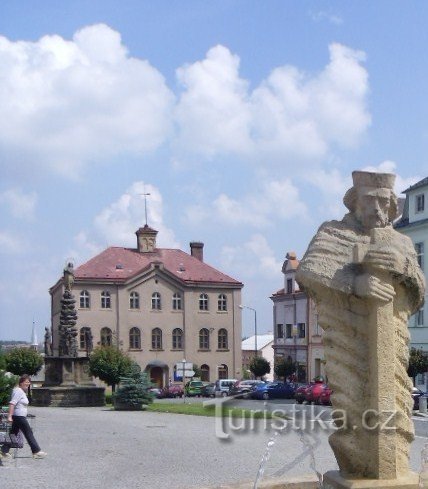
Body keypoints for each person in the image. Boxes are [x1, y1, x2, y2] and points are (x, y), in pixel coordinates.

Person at [296, 171, 425, 478]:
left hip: (391, 340)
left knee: (397, 402)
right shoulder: (332, 233)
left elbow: (420, 289)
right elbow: (310, 271)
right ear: (355, 201)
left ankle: (392, 465)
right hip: (348, 338)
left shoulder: (402, 243)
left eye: (384, 201)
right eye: (369, 200)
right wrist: (354, 283)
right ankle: (357, 463)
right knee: (352, 404)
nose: (377, 208)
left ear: (393, 206)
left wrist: (403, 267)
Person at [0, 374, 47, 460]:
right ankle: (36, 451)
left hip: (18, 416)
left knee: (12, 434)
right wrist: (9, 416)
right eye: (26, 382)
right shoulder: (18, 391)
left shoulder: (21, 391)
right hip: (19, 417)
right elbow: (12, 403)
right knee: (28, 433)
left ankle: (4, 450)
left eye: (29, 382)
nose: (28, 383)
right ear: (21, 383)